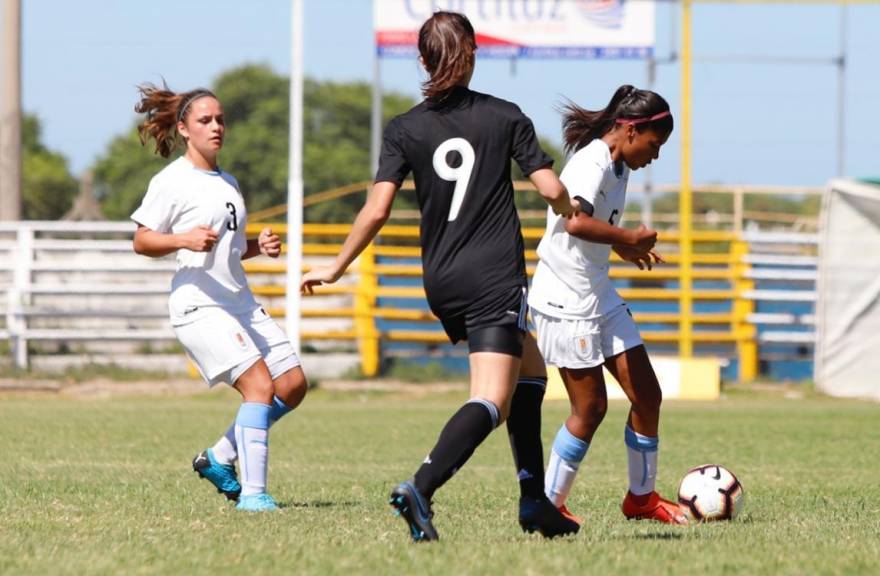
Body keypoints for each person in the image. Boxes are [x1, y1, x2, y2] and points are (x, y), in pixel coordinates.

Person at [301, 11, 581, 542]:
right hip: (494, 275)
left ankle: (534, 501)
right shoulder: (505, 116)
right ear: (472, 51)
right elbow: (549, 188)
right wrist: (570, 207)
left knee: (531, 371)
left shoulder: (404, 128)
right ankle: (421, 487)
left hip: (443, 277)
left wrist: (337, 266)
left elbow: (377, 210)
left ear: (423, 59)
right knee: (492, 399)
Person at [130, 84, 308, 512]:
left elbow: (227, 248)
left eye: (220, 120)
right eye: (205, 120)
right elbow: (141, 240)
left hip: (238, 302)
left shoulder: (228, 182)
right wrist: (182, 239)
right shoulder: (171, 180)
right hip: (199, 305)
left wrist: (257, 247)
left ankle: (219, 457)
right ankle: (253, 496)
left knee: (292, 384)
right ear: (184, 129)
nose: (216, 127)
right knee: (260, 386)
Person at [529, 85, 689, 526]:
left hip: (597, 293)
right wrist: (630, 237)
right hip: (565, 298)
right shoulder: (591, 162)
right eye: (654, 145)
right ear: (631, 130)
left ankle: (642, 499)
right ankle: (547, 506)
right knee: (590, 409)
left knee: (648, 396)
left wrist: (624, 249)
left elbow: (594, 227)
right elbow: (574, 222)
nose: (655, 155)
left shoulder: (620, 166)